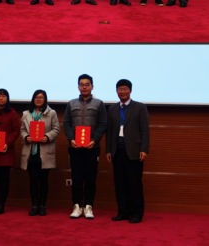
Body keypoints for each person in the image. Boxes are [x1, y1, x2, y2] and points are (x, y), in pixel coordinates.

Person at [64, 73, 108, 219]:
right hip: (75, 147)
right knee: (76, 178)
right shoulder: (71, 104)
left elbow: (103, 124)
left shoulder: (99, 104)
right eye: (81, 85)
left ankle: (88, 206)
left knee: (90, 178)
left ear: (92, 87)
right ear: (78, 87)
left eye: (87, 85)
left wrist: (95, 140)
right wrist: (71, 139)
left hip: (92, 147)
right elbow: (67, 124)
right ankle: (77, 206)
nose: (84, 87)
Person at [106, 79, 150, 223]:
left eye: (125, 89)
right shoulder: (112, 109)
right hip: (117, 150)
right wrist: (108, 150)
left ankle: (136, 213)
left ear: (130, 90)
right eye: (120, 89)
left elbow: (145, 130)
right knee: (120, 183)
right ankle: (122, 211)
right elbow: (109, 131)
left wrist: (144, 149)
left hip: (134, 150)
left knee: (134, 183)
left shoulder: (140, 107)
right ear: (116, 91)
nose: (122, 92)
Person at [20, 89, 60, 216]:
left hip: (45, 152)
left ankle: (42, 205)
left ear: (45, 99)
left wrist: (47, 137)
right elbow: (22, 130)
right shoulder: (26, 114)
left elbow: (56, 129)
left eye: (41, 97)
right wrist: (26, 137)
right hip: (30, 152)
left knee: (43, 181)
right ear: (33, 99)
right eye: (36, 97)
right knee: (32, 180)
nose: (38, 99)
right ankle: (34, 205)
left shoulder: (51, 113)